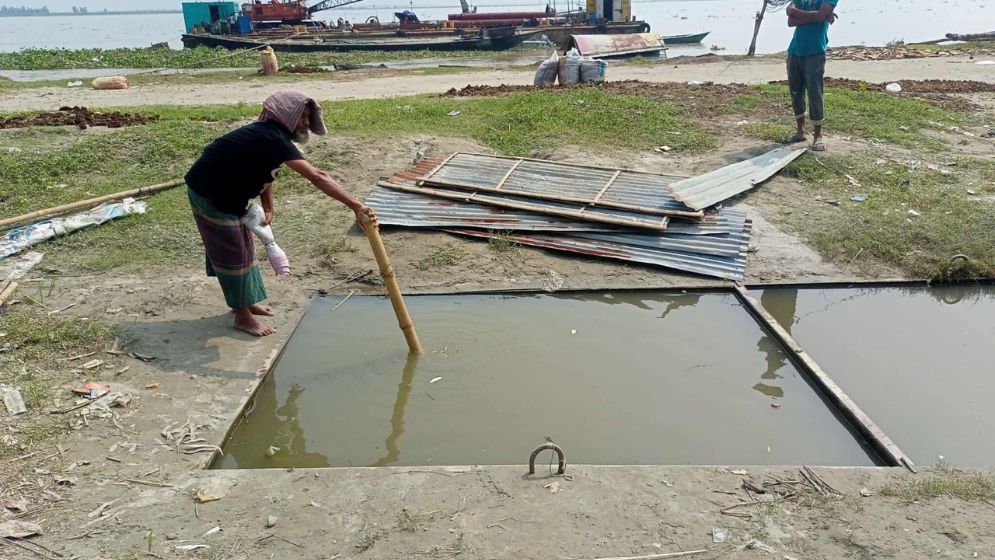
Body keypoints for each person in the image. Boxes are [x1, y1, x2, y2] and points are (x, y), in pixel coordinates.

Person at [185, 90, 377, 337]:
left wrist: (268, 205)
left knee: (245, 248)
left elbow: (267, 171)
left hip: (230, 196)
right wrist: (357, 206)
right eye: (303, 117)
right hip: (209, 194)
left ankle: (247, 302)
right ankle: (242, 316)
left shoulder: (272, 138)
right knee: (232, 252)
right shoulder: (270, 137)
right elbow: (317, 176)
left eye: (309, 117)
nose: (307, 123)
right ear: (287, 116)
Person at [783, 0, 838, 152]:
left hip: (815, 51)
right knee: (796, 91)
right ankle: (800, 132)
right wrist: (814, 15)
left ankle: (818, 136)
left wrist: (798, 14)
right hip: (795, 50)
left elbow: (819, 16)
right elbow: (790, 21)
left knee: (815, 92)